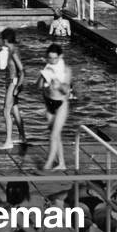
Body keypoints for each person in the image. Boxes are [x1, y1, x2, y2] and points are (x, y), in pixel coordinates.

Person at [38, 44, 72, 172]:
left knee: (53, 135)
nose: (52, 61)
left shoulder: (66, 70)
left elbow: (66, 91)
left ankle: (47, 165)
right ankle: (62, 163)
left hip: (61, 105)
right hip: (49, 103)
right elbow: (38, 86)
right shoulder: (47, 67)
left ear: (61, 56)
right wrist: (42, 76)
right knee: (55, 135)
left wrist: (59, 85)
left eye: (54, 58)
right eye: (50, 58)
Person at [0, 29, 26, 151]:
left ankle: (8, 141)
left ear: (5, 40)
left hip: (13, 83)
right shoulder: (14, 49)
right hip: (13, 82)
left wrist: (17, 87)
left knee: (6, 111)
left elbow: (22, 70)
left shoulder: (13, 51)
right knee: (15, 110)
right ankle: (22, 137)